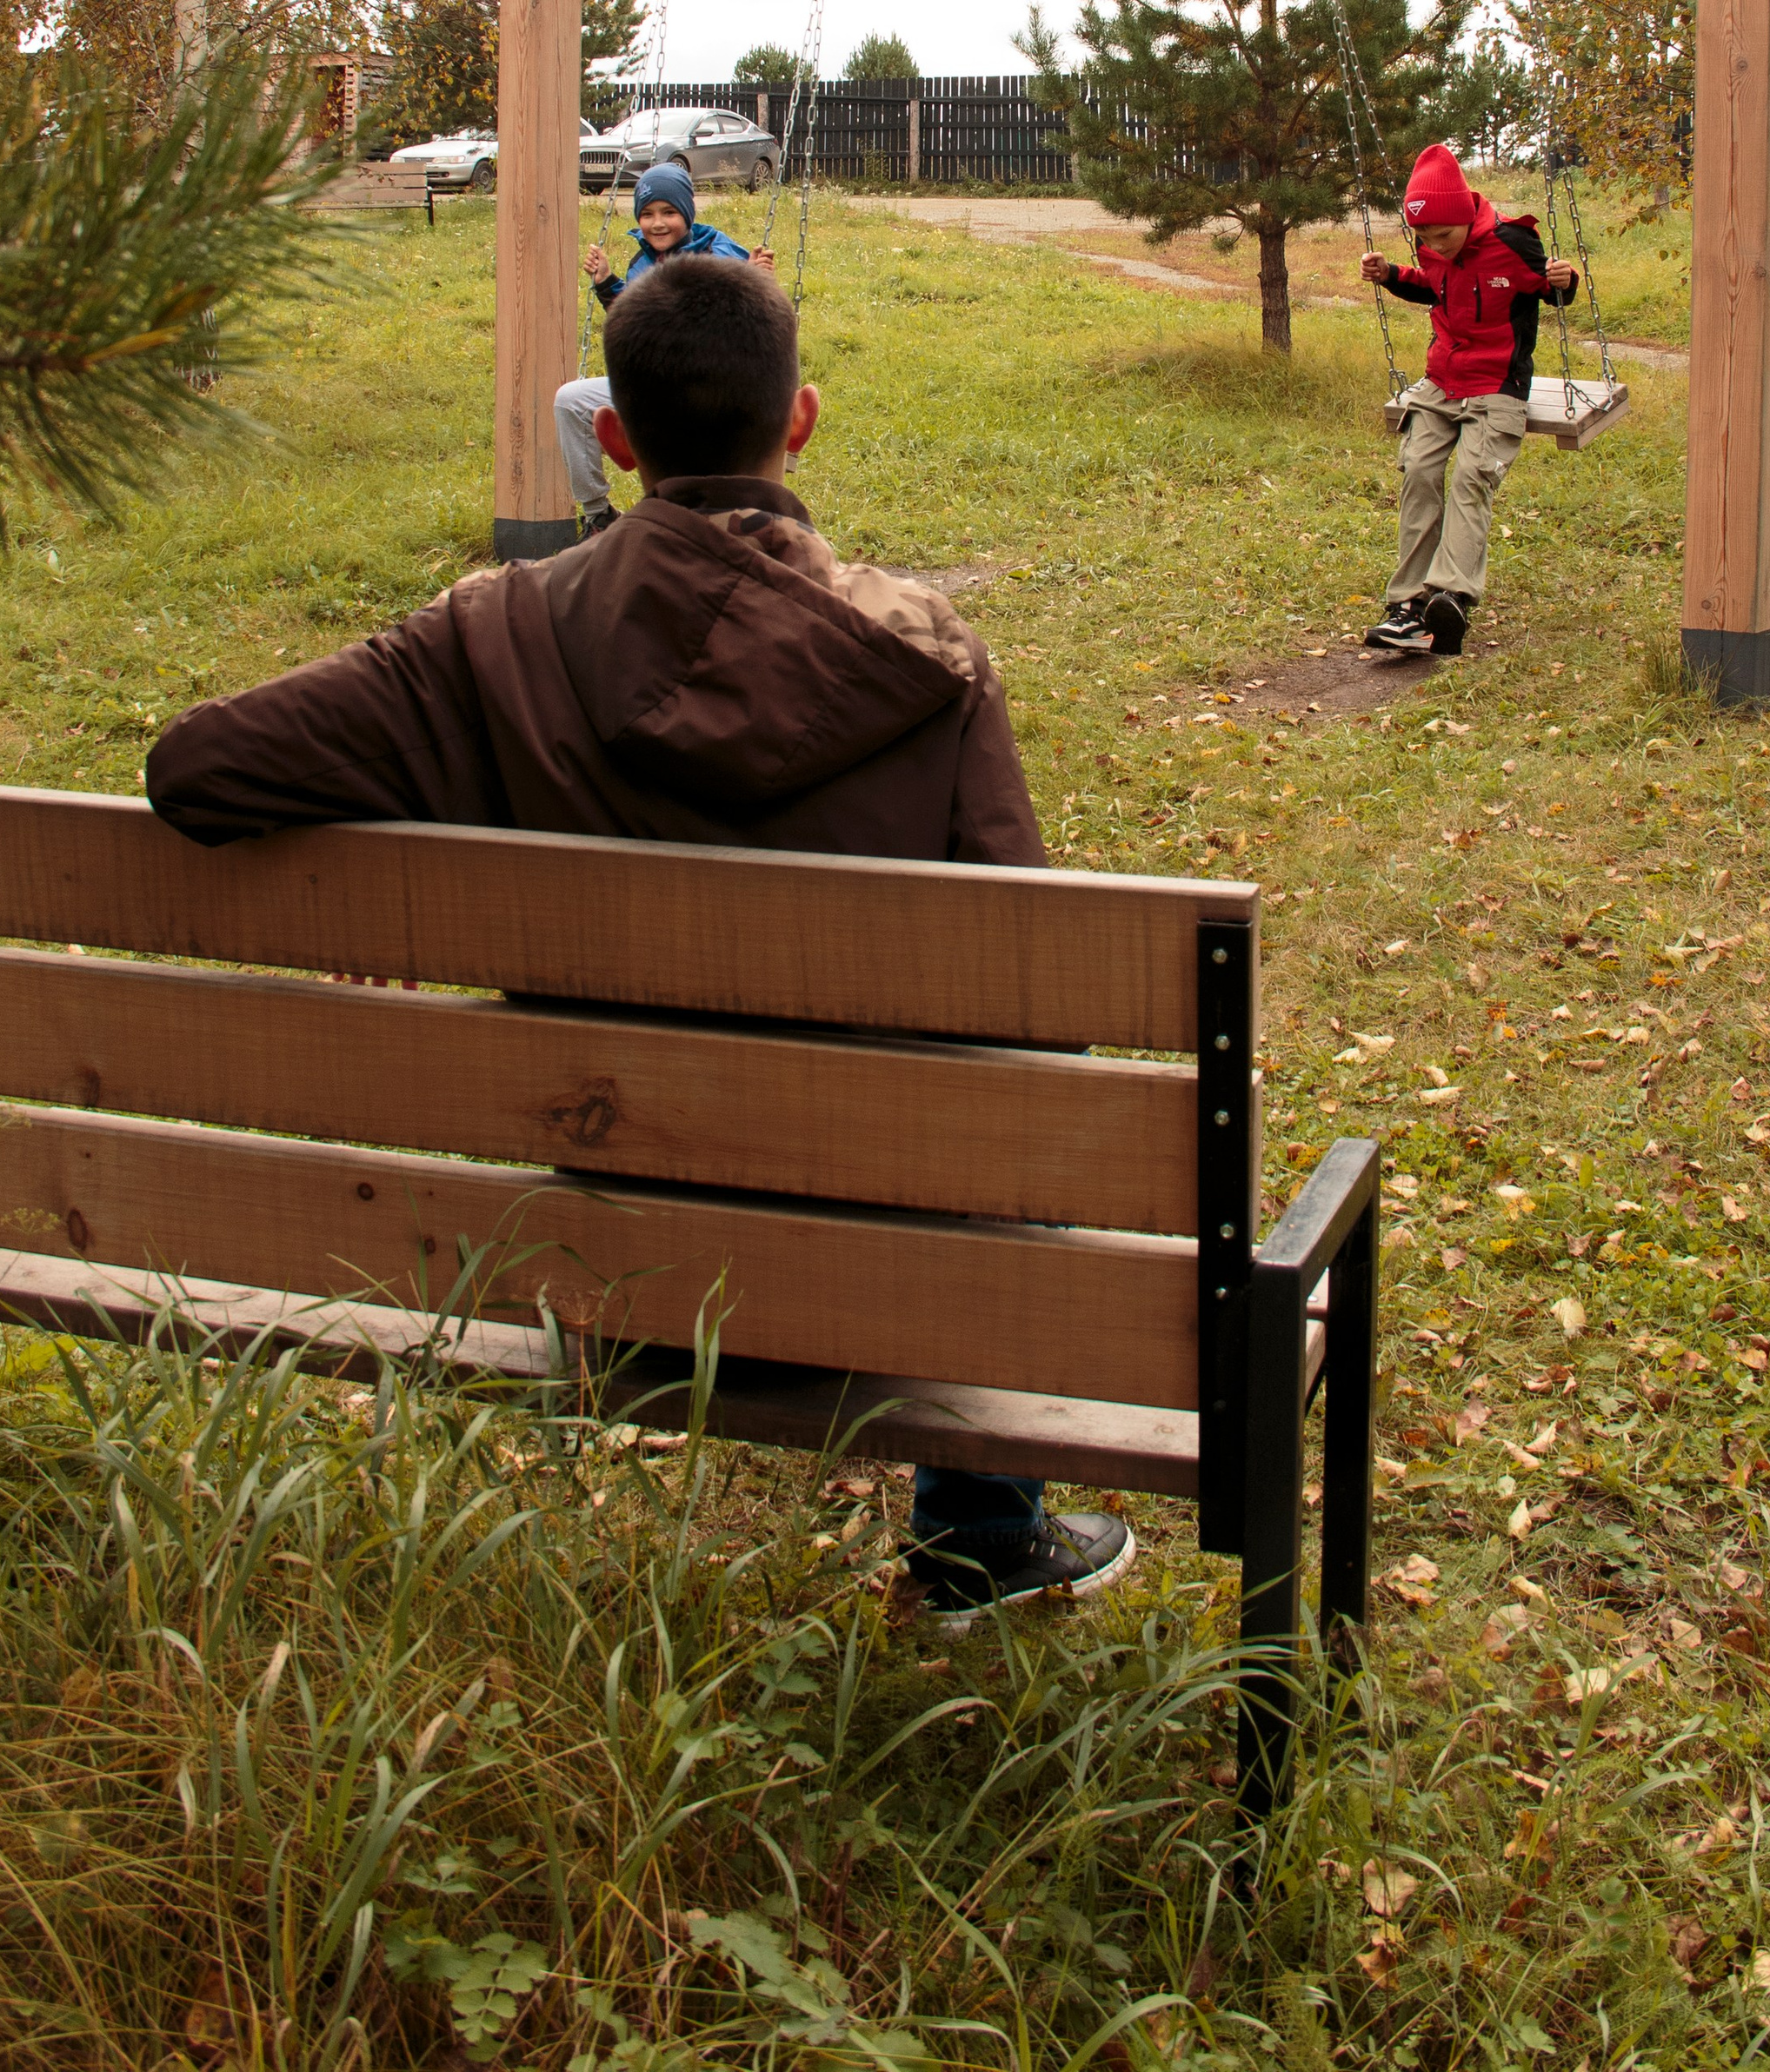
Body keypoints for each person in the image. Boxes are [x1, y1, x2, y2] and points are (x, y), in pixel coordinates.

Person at [145, 253, 1131, 1627]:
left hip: (625, 1280)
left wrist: (396, 868)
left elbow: (197, 770)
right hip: (896, 1290)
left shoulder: (482, 638)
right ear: (801, 422)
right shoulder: (928, 657)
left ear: (611, 434)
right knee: (996, 1122)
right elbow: (1037, 1007)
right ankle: (979, 1543)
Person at [1358, 142, 1578, 659]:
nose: (1436, 244)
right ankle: (1407, 607)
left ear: (1465, 217)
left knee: (1470, 477)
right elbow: (1435, 288)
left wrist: (1564, 282)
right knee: (1417, 470)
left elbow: (1554, 293)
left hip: (1498, 386)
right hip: (1441, 381)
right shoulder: (1433, 247)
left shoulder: (1513, 243)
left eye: (1443, 234)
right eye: (1424, 237)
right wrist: (1393, 275)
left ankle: (1451, 597)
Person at [555, 163, 770, 540]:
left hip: (711, 387)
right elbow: (636, 325)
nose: (657, 223)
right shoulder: (642, 262)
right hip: (654, 385)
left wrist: (753, 280)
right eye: (647, 214)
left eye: (669, 212)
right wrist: (607, 283)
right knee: (569, 401)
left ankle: (712, 520)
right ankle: (597, 514)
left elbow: (745, 327)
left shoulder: (721, 255)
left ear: (686, 213)